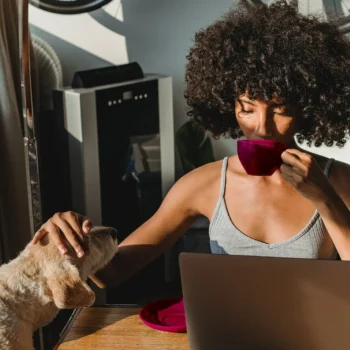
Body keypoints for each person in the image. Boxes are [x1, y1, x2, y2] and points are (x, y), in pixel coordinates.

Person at [33, 0, 350, 288]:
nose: (261, 128)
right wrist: (71, 238)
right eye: (247, 108)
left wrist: (325, 199)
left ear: (308, 109)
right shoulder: (204, 184)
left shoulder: (337, 180)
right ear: (228, 106)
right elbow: (112, 273)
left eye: (281, 110)